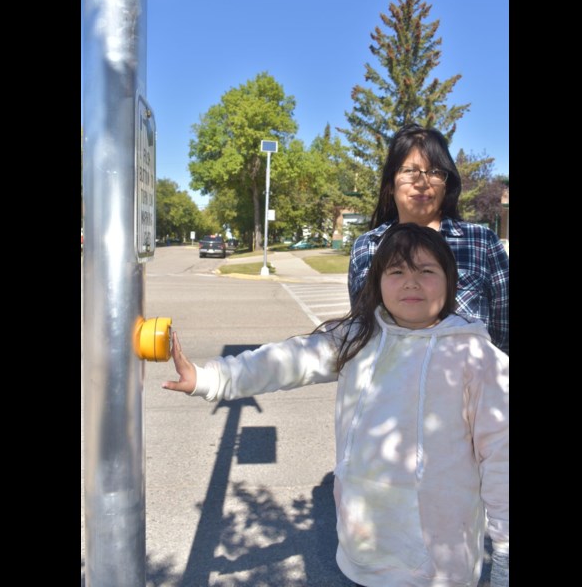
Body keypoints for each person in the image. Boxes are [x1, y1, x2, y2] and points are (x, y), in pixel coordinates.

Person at [163, 223, 509, 587]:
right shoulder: (356, 339)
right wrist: (209, 379)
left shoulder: (477, 359)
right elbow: (284, 361)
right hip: (360, 553)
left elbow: (501, 459)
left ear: (450, 281)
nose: (411, 281)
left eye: (426, 271)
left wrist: (503, 552)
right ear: (376, 283)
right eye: (396, 270)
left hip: (439, 568)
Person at [348, 124, 509, 355]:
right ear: (391, 184)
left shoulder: (481, 243)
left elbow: (504, 336)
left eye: (434, 172)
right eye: (409, 171)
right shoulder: (367, 246)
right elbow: (360, 330)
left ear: (447, 185)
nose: (422, 182)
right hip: (385, 388)